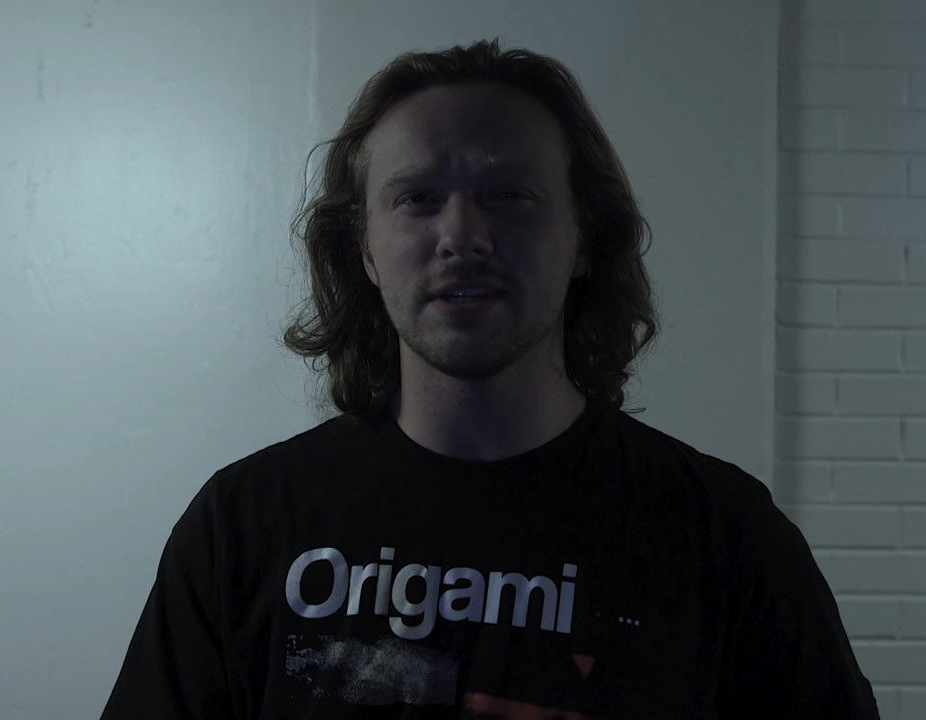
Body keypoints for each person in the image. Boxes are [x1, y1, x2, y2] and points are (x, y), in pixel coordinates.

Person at [100, 37, 880, 719]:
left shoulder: (726, 538)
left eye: (509, 196)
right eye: (417, 199)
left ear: (583, 237)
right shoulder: (243, 527)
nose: (463, 234)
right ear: (365, 249)